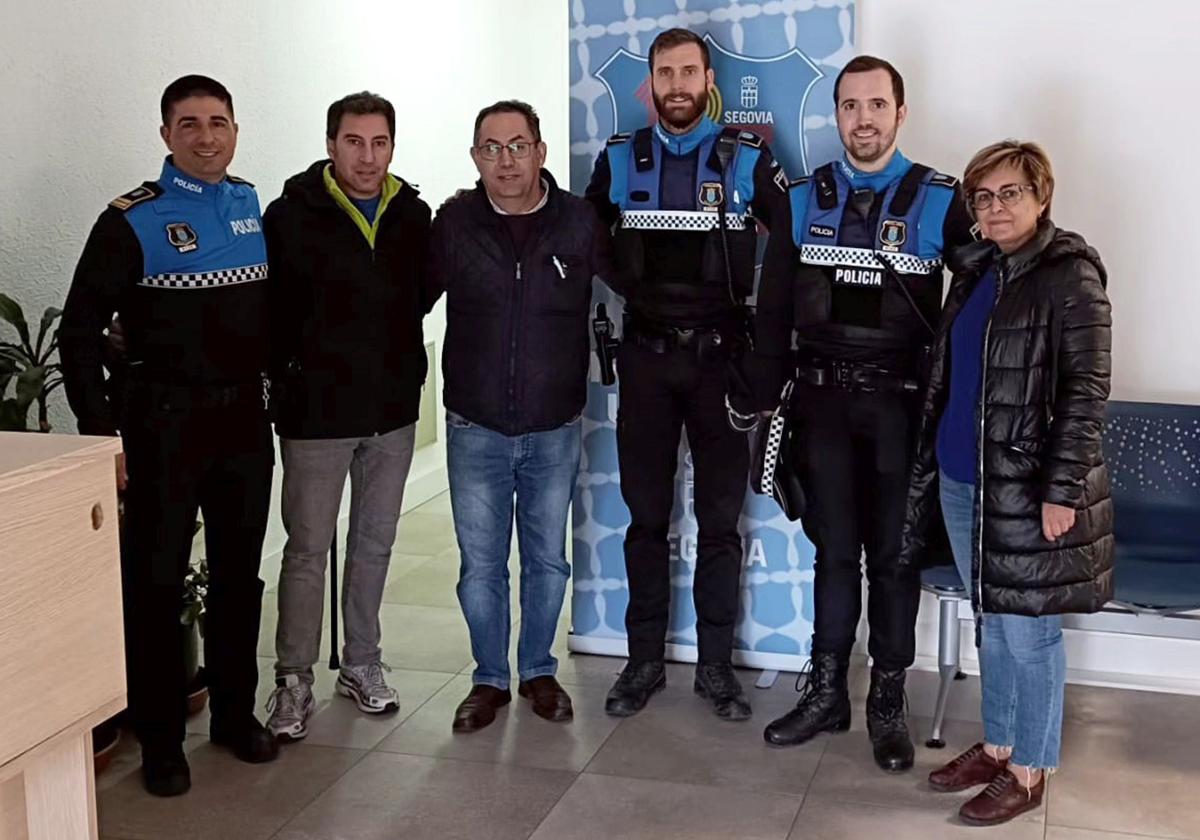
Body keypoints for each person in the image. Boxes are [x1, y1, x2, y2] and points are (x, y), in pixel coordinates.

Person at [754, 55, 976, 769]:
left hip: (900, 411)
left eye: (877, 105)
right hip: (819, 404)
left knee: (894, 556)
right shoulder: (798, 199)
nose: (863, 120)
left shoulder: (944, 199)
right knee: (832, 554)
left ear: (900, 113)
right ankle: (825, 694)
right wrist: (763, 399)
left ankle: (886, 702)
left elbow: (978, 312)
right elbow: (774, 310)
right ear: (837, 114)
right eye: (850, 106)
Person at [59, 75, 278, 797]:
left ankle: (236, 714)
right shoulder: (130, 219)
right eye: (189, 124)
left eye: (218, 122)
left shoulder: (250, 204)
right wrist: (102, 434)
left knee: (240, 576)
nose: (206, 137)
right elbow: (80, 330)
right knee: (154, 583)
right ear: (165, 136)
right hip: (162, 424)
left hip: (244, 421)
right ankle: (159, 739)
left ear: (236, 131)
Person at [899, 140, 1113, 826]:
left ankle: (1030, 768)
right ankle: (998, 745)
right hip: (966, 479)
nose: (995, 207)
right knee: (992, 621)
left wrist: (1061, 489)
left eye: (1009, 193)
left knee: (1031, 634)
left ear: (1041, 196)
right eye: (982, 196)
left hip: (1027, 487)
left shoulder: (1069, 275)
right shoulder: (978, 270)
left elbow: (1086, 392)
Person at [585, 27, 789, 721]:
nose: (677, 85)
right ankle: (642, 663)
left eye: (688, 73)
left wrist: (765, 362)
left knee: (721, 525)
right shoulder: (619, 160)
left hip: (721, 366)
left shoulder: (749, 159)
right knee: (646, 519)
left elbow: (789, 258)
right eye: (665, 73)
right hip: (644, 362)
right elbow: (584, 240)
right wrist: (629, 295)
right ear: (652, 83)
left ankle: (716, 670)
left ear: (709, 80)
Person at [427, 100, 610, 732]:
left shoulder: (580, 222)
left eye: (517, 145)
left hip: (553, 425)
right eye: (491, 148)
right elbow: (395, 302)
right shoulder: (452, 223)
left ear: (541, 151)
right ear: (475, 157)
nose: (505, 160)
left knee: (546, 560)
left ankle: (537, 670)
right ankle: (489, 679)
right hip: (474, 424)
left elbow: (637, 286)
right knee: (480, 565)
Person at [261, 92, 433, 741]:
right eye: (355, 142)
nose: (368, 155)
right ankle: (293, 678)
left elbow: (421, 295)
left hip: (390, 412)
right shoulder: (289, 215)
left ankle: (362, 661)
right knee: (307, 550)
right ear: (332, 144)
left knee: (374, 543)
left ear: (392, 146)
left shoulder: (412, 215)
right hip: (314, 415)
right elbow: (270, 310)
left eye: (380, 142)